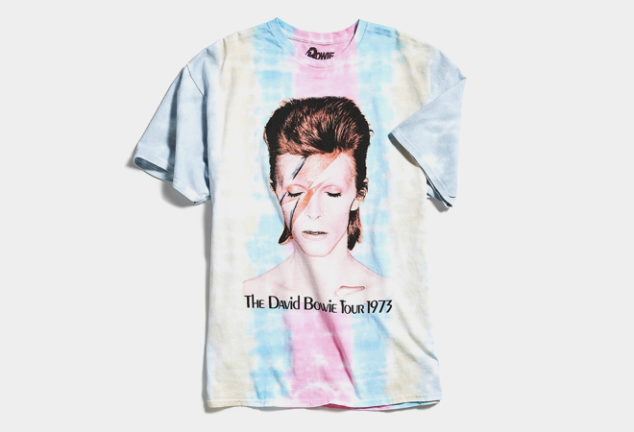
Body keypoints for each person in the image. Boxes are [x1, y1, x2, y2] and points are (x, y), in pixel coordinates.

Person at [242, 96, 388, 303]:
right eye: (295, 193)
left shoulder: (390, 296)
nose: (313, 212)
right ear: (274, 189)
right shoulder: (250, 293)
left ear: (359, 193)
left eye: (332, 193)